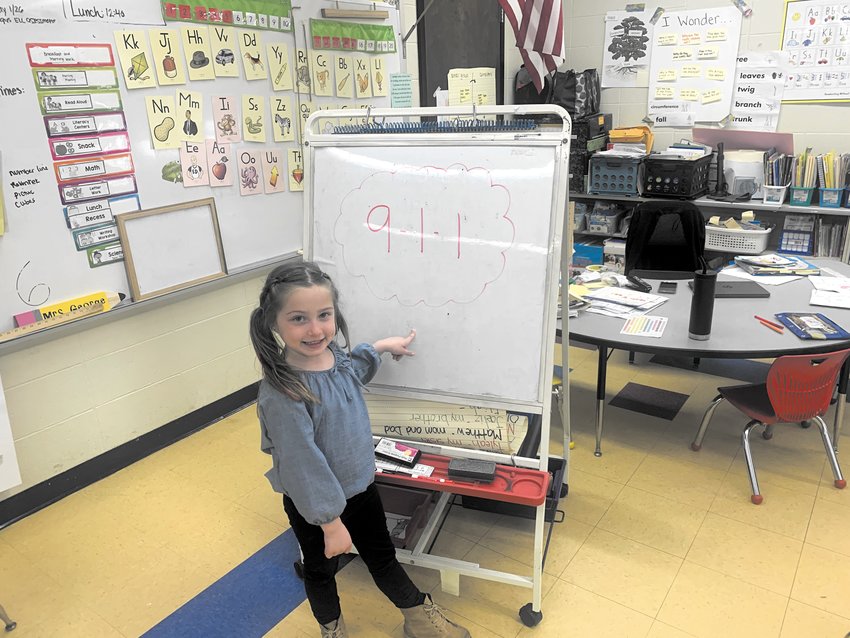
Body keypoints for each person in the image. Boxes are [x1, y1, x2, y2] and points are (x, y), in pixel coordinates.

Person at [249, 262, 471, 638]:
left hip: (360, 489)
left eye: (324, 315)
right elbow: (303, 466)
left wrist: (384, 347)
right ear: (274, 322)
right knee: (320, 570)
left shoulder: (334, 359)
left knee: (382, 558)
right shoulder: (283, 392)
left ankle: (419, 618)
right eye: (299, 319)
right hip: (315, 506)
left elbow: (352, 370)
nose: (315, 329)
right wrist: (331, 523)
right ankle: (332, 629)